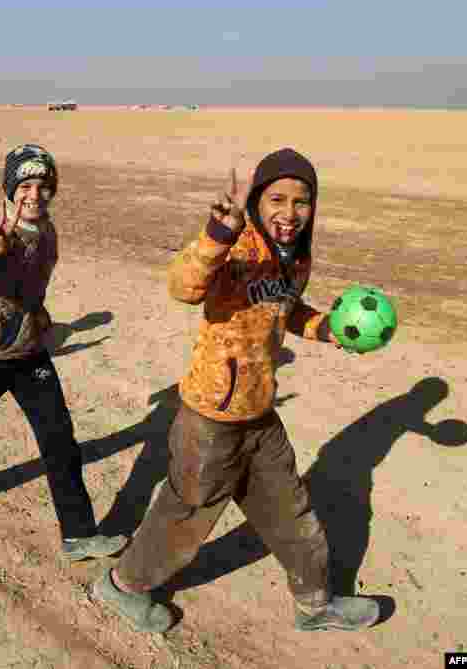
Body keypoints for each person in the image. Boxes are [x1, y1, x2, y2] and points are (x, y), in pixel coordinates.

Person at [92, 148, 381, 633]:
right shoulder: (237, 247)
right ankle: (121, 587)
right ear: (257, 201)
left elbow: (287, 312)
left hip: (259, 413)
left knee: (292, 511)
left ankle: (316, 604)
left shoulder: (295, 257)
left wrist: (329, 328)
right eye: (277, 199)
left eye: (302, 201)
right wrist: (217, 236)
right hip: (210, 417)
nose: (289, 213)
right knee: (186, 513)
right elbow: (183, 287)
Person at [0, 144, 128, 563]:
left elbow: (31, 287)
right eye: (25, 186)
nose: (34, 195)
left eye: (43, 186)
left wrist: (43, 319)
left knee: (59, 438)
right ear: (9, 189)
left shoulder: (48, 231)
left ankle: (78, 534)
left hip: (30, 353)